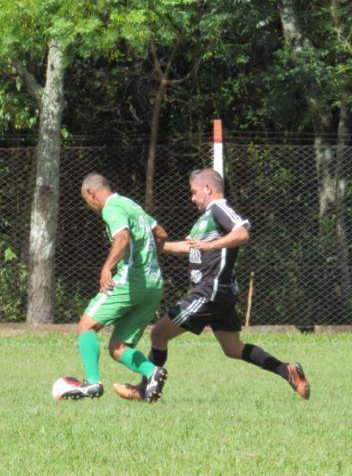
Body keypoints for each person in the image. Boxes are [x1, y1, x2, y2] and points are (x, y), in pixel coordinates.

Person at [113, 168, 310, 400]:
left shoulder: (219, 208)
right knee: (233, 349)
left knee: (158, 334)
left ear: (208, 188)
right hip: (219, 293)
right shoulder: (206, 219)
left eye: (194, 192)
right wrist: (154, 246)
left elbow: (242, 233)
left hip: (210, 291)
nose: (192, 197)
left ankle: (145, 389)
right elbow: (190, 247)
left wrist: (211, 246)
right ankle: (287, 370)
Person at [60, 173, 168, 402]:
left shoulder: (112, 207)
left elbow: (122, 238)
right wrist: (149, 261)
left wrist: (107, 267)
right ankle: (152, 371)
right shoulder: (132, 205)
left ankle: (92, 383)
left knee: (86, 326)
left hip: (131, 281)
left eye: (86, 200)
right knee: (118, 347)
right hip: (154, 284)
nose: (89, 206)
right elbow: (161, 234)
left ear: (91, 193)